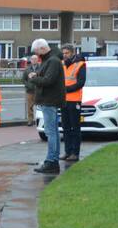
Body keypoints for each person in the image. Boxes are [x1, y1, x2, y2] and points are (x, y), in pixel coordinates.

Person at [29, 39, 65, 174]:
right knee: (53, 131)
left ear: (43, 48)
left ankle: (51, 161)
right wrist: (37, 74)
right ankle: (53, 160)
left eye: (37, 52)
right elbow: (47, 77)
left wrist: (34, 78)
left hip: (49, 100)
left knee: (51, 132)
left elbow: (48, 80)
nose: (36, 55)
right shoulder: (50, 60)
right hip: (49, 100)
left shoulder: (52, 61)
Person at [60, 44, 86, 162]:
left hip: (74, 100)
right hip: (63, 100)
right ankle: (67, 151)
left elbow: (81, 82)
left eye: (67, 53)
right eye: (63, 53)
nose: (64, 55)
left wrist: (66, 89)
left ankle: (75, 153)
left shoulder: (80, 64)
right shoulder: (62, 64)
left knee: (75, 127)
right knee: (65, 127)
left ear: (72, 53)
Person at [22, 54, 40, 126]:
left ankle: (39, 120)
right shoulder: (27, 69)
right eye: (33, 59)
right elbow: (23, 80)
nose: (34, 60)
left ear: (38, 60)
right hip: (30, 91)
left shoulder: (41, 68)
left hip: (39, 91)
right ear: (31, 60)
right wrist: (28, 85)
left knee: (40, 107)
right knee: (30, 107)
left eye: (35, 59)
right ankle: (30, 120)